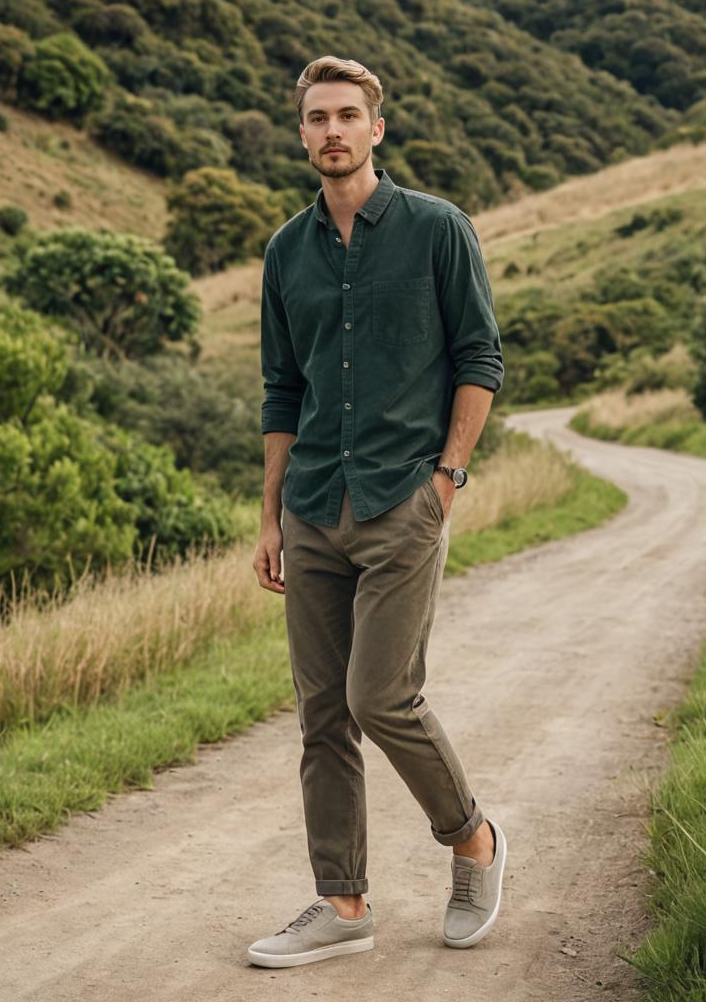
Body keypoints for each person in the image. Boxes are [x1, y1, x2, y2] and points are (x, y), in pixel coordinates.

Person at [249, 55, 506, 969]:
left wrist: (446, 480)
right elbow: (283, 391)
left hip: (404, 499)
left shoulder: (438, 231)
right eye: (317, 117)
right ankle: (343, 902)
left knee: (380, 695)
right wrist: (272, 517)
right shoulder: (286, 251)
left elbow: (480, 358)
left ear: (377, 128)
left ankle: (472, 841)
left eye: (348, 115)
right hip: (314, 504)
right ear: (303, 131)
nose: (332, 131)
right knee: (323, 712)